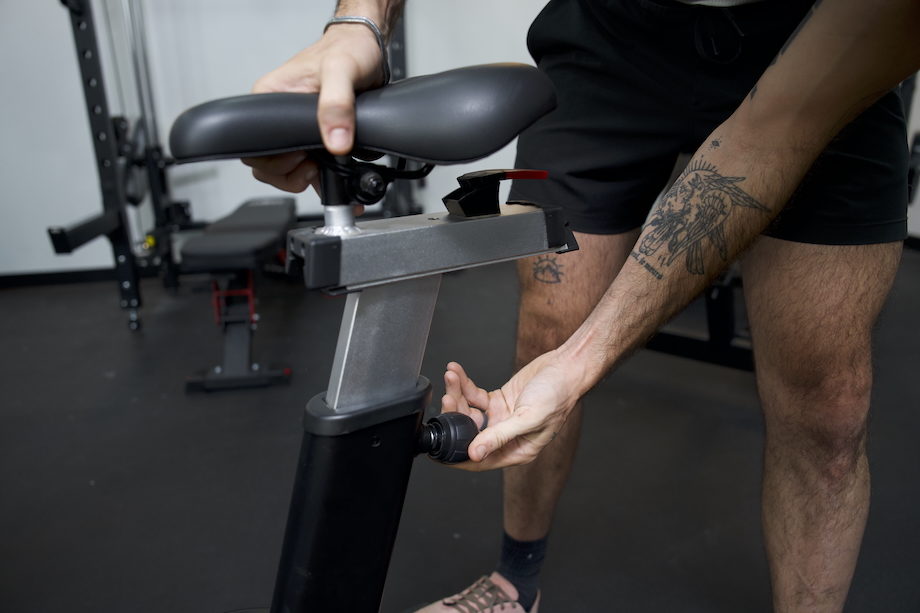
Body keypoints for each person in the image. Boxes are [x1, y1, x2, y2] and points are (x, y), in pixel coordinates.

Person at [245, 0, 920, 611]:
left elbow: (765, 136)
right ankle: (515, 582)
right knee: (549, 323)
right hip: (613, 31)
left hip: (816, 37)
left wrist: (578, 368)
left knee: (828, 404)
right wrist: (360, 23)